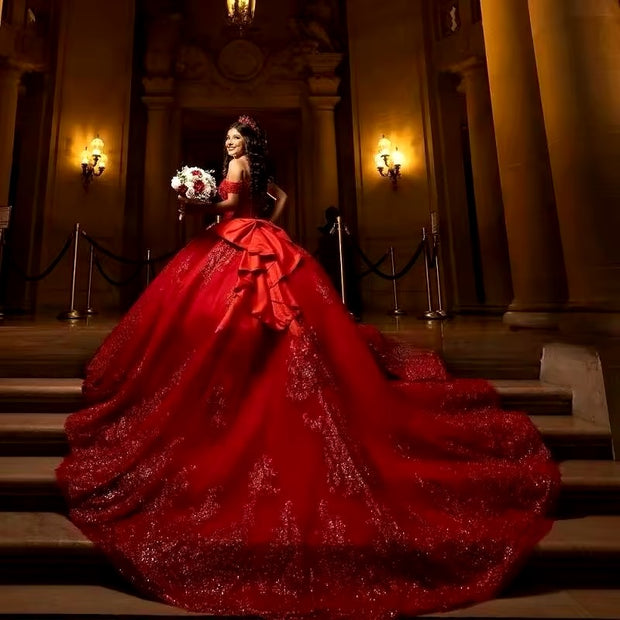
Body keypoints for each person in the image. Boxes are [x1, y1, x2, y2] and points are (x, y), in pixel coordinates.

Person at [57, 116, 560, 619]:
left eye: (236, 138)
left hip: (238, 237)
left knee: (220, 319)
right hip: (258, 236)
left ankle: (235, 385)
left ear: (247, 144)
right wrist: (269, 222)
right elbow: (281, 198)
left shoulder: (235, 165)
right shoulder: (256, 166)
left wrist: (201, 202)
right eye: (229, 138)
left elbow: (231, 203)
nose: (230, 143)